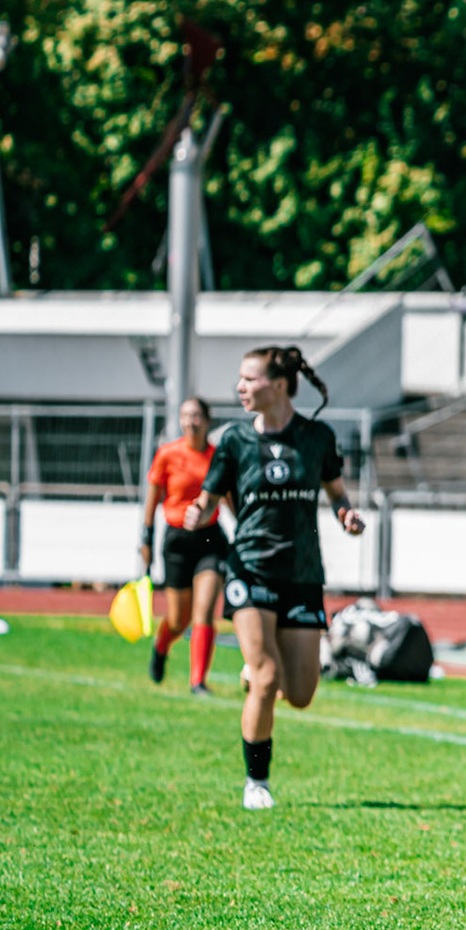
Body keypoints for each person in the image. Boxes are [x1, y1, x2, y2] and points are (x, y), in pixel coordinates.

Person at [186, 346, 365, 811]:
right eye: (240, 379)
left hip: (303, 573)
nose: (240, 388)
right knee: (267, 678)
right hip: (251, 567)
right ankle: (256, 783)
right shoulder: (233, 441)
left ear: (280, 385)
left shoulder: (317, 437)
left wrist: (347, 516)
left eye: (250, 379)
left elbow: (337, 493)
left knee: (301, 693)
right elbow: (209, 496)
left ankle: (255, 671)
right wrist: (198, 511)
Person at [140, 396, 226, 695]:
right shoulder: (167, 454)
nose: (191, 421)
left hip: (210, 538)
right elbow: (152, 499)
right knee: (179, 619)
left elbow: (228, 497)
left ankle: (197, 682)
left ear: (206, 420)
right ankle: (161, 646)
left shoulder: (218, 456)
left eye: (196, 415)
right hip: (176, 540)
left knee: (204, 611)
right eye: (185, 415)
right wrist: (146, 538)